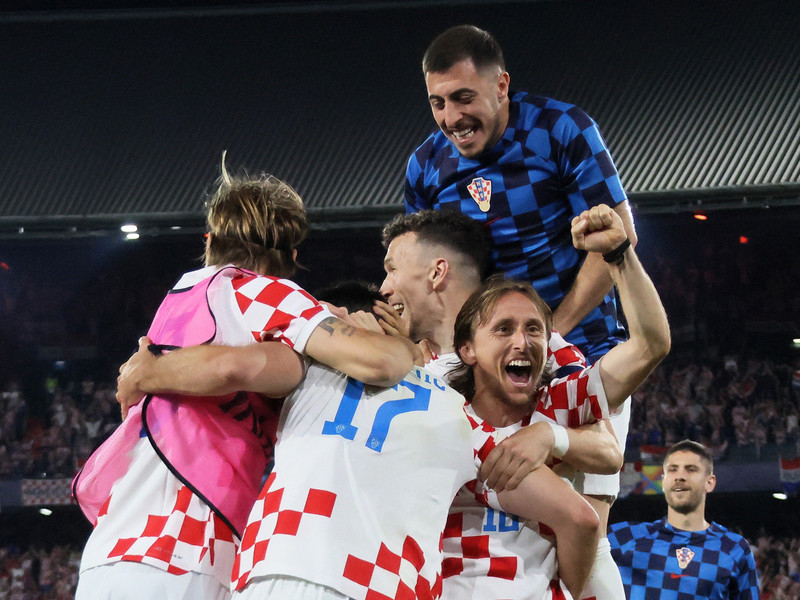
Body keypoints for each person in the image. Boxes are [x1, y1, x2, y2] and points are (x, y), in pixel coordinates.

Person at [117, 282, 602, 600]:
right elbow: (579, 518)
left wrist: (148, 371)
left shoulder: (307, 366)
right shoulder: (461, 421)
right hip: (384, 586)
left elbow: (229, 366)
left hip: (274, 566)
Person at [72, 158, 414, 600]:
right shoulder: (266, 292)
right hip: (186, 552)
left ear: (209, 240)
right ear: (292, 257)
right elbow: (379, 363)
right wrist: (408, 345)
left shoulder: (181, 300)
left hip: (114, 545)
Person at [404, 25, 638, 597]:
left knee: (585, 528)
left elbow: (617, 237)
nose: (450, 117)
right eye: (437, 102)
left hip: (585, 357)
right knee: (490, 523)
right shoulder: (426, 166)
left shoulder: (562, 130)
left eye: (463, 98)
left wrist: (549, 333)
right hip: (485, 367)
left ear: (501, 85)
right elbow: (419, 263)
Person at [439, 203, 669, 600]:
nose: (522, 342)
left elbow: (650, 345)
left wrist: (618, 255)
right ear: (467, 350)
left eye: (534, 329)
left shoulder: (558, 403)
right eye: (503, 329)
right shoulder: (437, 413)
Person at [608, 440, 760, 600]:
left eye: (691, 469)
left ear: (710, 482)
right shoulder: (623, 537)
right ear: (664, 481)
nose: (680, 476)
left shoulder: (734, 548)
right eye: (672, 470)